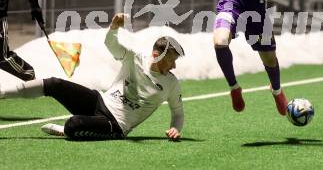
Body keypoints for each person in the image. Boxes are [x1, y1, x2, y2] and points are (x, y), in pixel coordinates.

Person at [0, 13, 185, 141]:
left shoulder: (171, 83)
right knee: (53, 84)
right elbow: (110, 44)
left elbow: (177, 113)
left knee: (73, 124)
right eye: (171, 60)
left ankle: (66, 131)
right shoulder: (134, 58)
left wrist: (176, 128)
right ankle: (2, 93)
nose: (174, 66)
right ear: (156, 55)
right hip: (99, 101)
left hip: (116, 125)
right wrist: (114, 28)